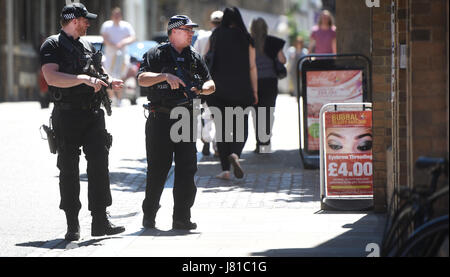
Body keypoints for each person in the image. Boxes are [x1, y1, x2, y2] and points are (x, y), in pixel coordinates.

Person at [40, 3, 125, 241]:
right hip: (67, 114)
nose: (89, 23)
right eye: (85, 20)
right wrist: (83, 79)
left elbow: (98, 72)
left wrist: (109, 80)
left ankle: (100, 221)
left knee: (99, 165)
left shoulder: (87, 45)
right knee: (68, 169)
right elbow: (51, 76)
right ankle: (72, 224)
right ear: (74, 20)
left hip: (92, 114)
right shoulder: (53, 44)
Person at [137, 15, 216, 230]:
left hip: (186, 118)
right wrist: (163, 77)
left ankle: (181, 217)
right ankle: (149, 215)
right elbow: (141, 79)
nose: (191, 33)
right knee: (157, 169)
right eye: (187, 29)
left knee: (186, 169)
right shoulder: (156, 54)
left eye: (192, 30)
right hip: (160, 117)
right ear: (173, 31)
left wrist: (201, 88)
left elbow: (211, 84)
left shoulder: (194, 57)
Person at [206, 7, 258, 180]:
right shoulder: (246, 38)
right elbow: (252, 66)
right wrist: (255, 90)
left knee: (222, 129)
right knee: (240, 125)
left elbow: (206, 59)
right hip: (241, 89)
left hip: (218, 90)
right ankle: (235, 154)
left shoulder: (215, 35)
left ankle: (225, 170)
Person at [250, 17, 286, 154]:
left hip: (253, 82)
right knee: (268, 112)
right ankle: (266, 141)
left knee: (256, 113)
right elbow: (283, 59)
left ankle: (259, 143)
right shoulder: (273, 42)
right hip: (270, 81)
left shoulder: (249, 42)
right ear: (265, 27)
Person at [193, 10, 223, 156]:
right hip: (222, 82)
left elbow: (196, 58)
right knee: (219, 115)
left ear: (211, 23)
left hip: (206, 81)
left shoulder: (203, 37)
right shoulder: (227, 38)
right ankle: (217, 145)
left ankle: (206, 141)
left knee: (206, 114)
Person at [100, 7, 136, 106]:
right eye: (115, 15)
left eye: (118, 15)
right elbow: (104, 38)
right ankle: (112, 98)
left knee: (121, 77)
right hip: (110, 57)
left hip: (122, 57)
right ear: (112, 16)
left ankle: (119, 99)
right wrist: (113, 45)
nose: (116, 17)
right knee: (108, 77)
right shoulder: (106, 25)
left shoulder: (126, 26)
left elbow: (132, 37)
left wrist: (122, 43)